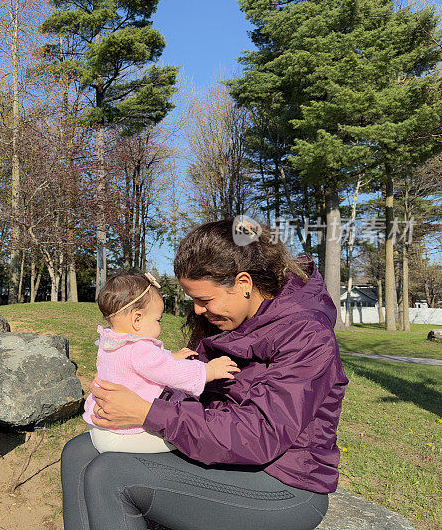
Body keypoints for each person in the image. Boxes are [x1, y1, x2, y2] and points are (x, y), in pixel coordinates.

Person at [61, 218, 348, 530]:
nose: (197, 310)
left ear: (243, 284)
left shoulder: (307, 335)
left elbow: (259, 434)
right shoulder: (226, 319)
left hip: (284, 482)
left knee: (112, 475)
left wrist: (148, 413)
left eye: (204, 299)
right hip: (225, 458)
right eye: (193, 299)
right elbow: (196, 392)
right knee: (79, 452)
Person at [85, 271, 240, 454]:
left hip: (99, 427)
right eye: (158, 320)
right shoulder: (139, 349)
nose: (160, 326)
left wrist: (170, 356)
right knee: (185, 439)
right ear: (137, 319)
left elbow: (139, 365)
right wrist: (210, 370)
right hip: (123, 434)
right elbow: (172, 372)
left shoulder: (111, 340)